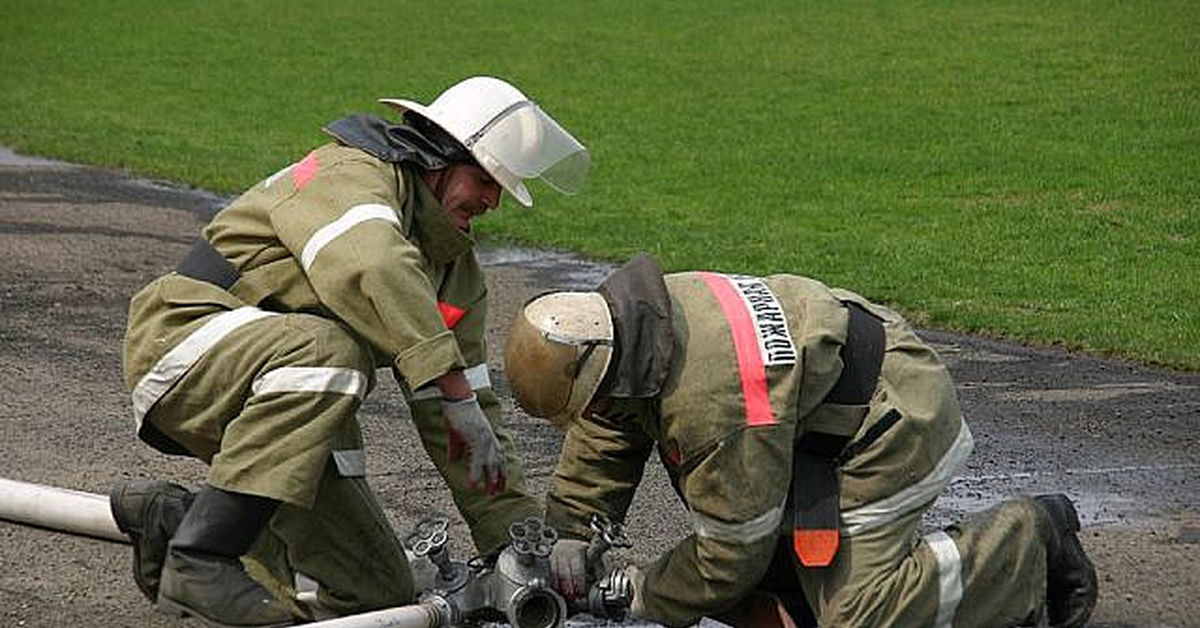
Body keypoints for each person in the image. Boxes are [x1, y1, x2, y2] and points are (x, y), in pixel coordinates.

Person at [110, 75, 590, 626]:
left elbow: (469, 420)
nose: (493, 201)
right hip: (184, 343)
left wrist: (520, 540)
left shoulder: (456, 274)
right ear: (438, 158)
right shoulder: (353, 175)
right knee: (335, 353)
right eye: (484, 180)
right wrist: (451, 385)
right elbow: (373, 263)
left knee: (376, 595)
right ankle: (202, 557)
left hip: (287, 396)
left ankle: (179, 519)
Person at [504, 254, 1098, 628]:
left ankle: (1025, 542)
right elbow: (609, 426)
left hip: (888, 422)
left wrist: (638, 593)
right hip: (813, 422)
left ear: (605, 370)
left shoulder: (713, 401)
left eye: (594, 403)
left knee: (860, 618)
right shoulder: (628, 324)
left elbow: (728, 557)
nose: (595, 416)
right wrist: (572, 533)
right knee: (782, 599)